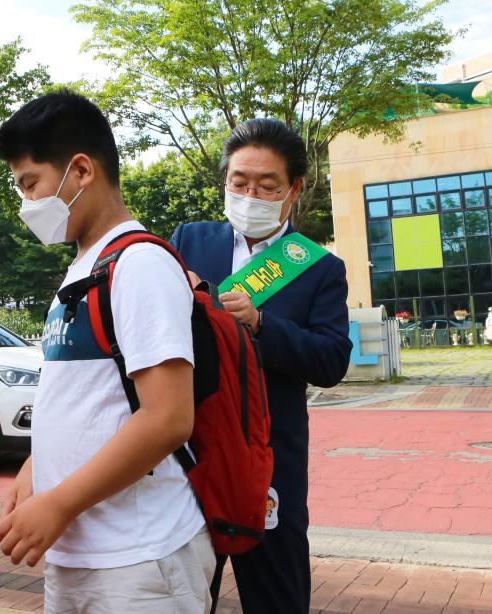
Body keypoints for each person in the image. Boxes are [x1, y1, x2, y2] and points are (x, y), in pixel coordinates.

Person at [0, 90, 214, 613]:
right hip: (84, 553)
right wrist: (33, 477)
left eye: (31, 184)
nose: (27, 204)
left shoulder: (138, 264)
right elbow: (87, 401)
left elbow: (166, 419)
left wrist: (59, 503)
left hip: (139, 561)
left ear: (81, 171)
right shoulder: (85, 268)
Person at [170, 118, 352, 614]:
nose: (250, 194)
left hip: (269, 461)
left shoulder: (317, 267)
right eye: (239, 182)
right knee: (179, 595)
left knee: (277, 596)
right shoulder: (188, 241)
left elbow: (332, 359)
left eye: (266, 185)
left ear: (293, 189)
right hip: (189, 452)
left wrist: (261, 323)